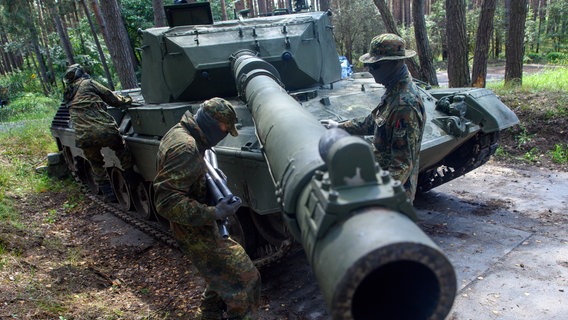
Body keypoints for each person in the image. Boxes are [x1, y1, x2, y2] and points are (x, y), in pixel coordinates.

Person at [153, 98, 260, 320]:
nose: (223, 135)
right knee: (245, 279)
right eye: (223, 129)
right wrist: (215, 212)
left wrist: (207, 177)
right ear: (211, 124)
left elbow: (187, 178)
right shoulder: (185, 146)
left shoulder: (183, 132)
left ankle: (208, 314)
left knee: (221, 274)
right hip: (195, 230)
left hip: (198, 224)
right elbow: (166, 202)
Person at [321, 33, 426, 203]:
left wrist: (377, 197)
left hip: (392, 196)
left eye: (375, 66)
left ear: (394, 63)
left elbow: (402, 165)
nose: (369, 70)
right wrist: (339, 126)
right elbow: (374, 121)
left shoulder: (404, 105)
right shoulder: (394, 90)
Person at [62, 64, 137, 200]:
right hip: (104, 129)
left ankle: (109, 194)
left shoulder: (68, 93)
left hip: (83, 135)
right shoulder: (88, 83)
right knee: (121, 148)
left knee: (96, 162)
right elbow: (111, 98)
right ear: (81, 73)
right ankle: (131, 178)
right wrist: (128, 100)